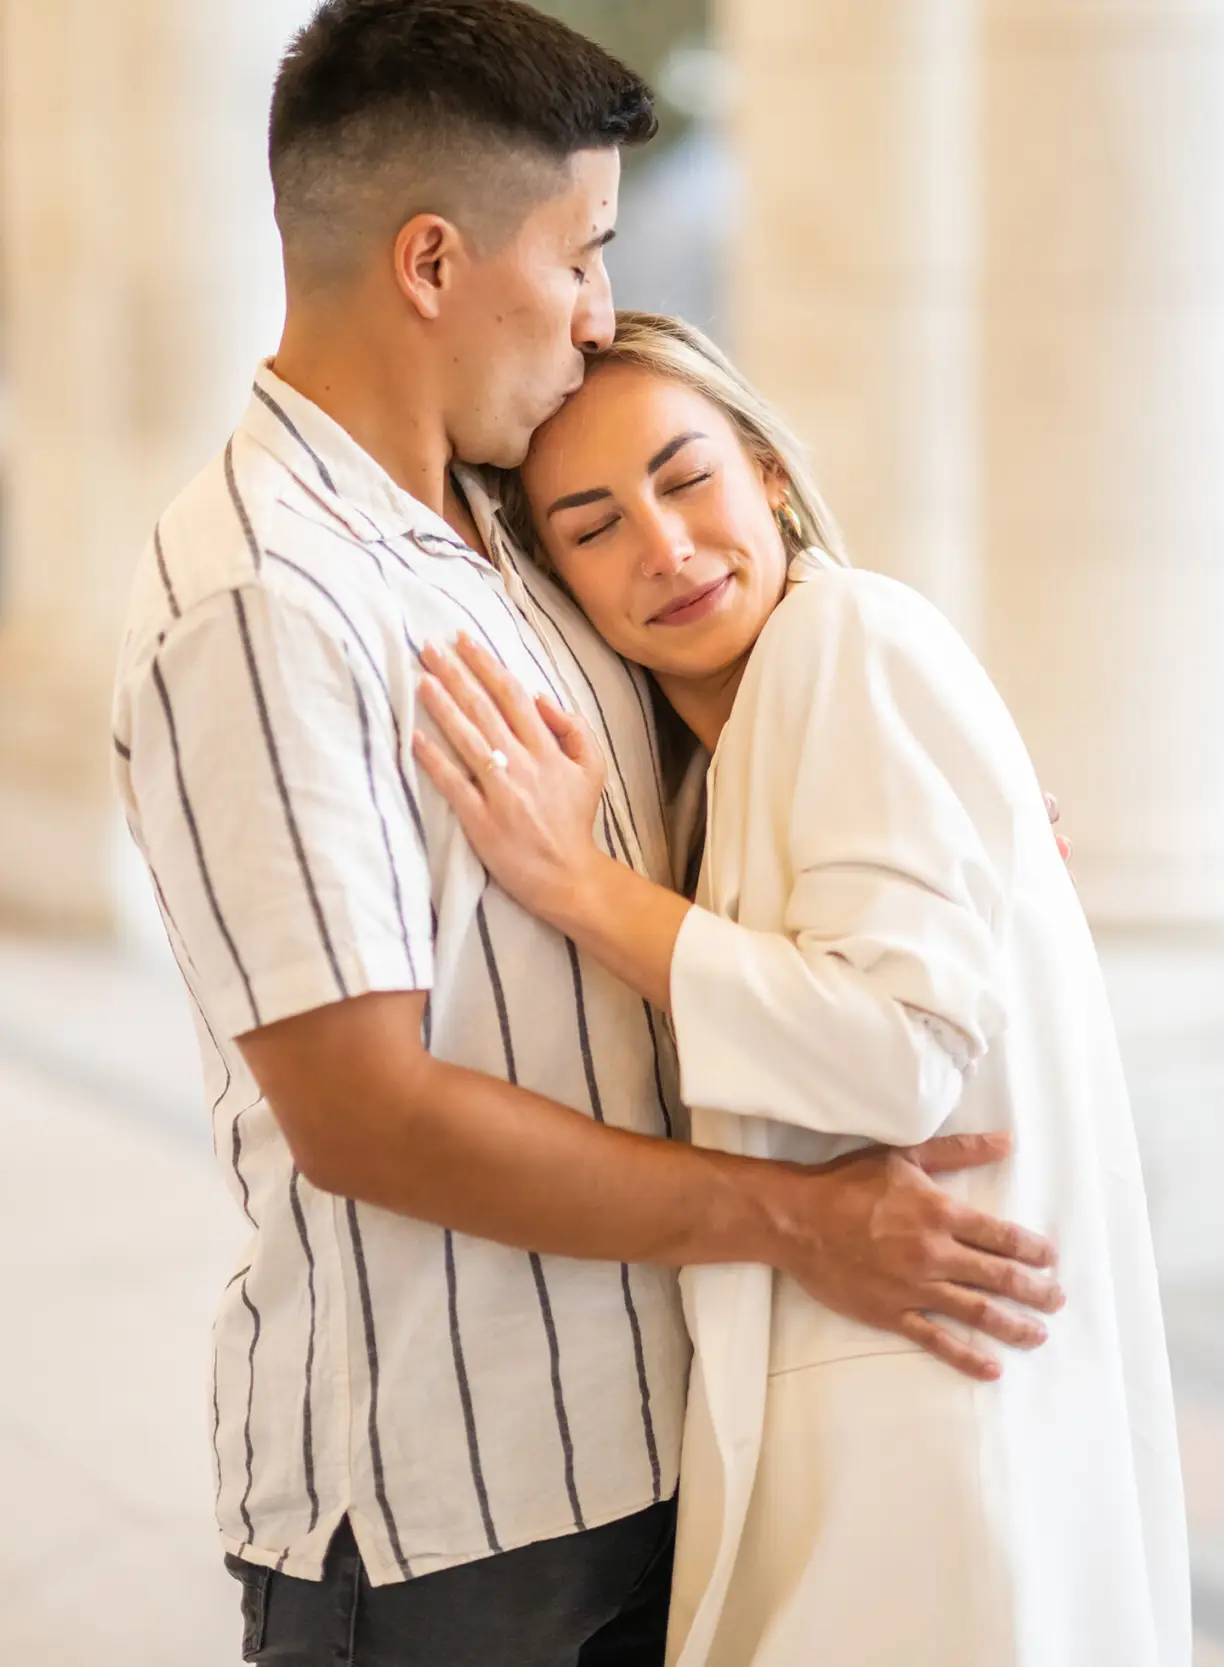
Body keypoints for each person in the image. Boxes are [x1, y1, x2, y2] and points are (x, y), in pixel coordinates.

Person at [112, 6, 1055, 1661]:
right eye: (582, 255)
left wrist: (937, 783)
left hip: (655, 1442)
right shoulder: (261, 599)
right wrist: (805, 1221)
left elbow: (711, 769)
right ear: (429, 262)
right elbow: (369, 1118)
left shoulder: (496, 521)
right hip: (446, 1520)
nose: (604, 313)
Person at [408, 312, 1191, 1665]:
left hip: (925, 1427)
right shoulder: (729, 752)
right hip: (872, 1416)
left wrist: (580, 888)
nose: (663, 546)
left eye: (686, 475)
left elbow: (896, 1052)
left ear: (767, 468)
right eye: (592, 527)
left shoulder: (851, 643)